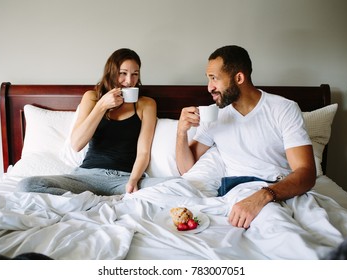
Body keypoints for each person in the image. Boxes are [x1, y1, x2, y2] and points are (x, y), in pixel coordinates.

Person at [176, 45, 316, 229]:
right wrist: (181, 133)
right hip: (234, 194)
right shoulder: (215, 115)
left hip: (275, 190)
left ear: (239, 78)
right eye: (208, 79)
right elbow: (187, 169)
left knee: (281, 230)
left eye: (214, 78)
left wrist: (263, 196)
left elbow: (307, 173)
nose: (209, 87)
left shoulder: (283, 109)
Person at [18, 48, 167, 196]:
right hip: (86, 178)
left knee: (178, 185)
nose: (129, 81)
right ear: (111, 72)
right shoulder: (92, 98)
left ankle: (83, 202)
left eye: (135, 74)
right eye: (123, 73)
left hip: (124, 180)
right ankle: (91, 202)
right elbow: (76, 144)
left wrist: (133, 181)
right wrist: (102, 105)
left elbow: (143, 152)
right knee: (27, 185)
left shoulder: (146, 104)